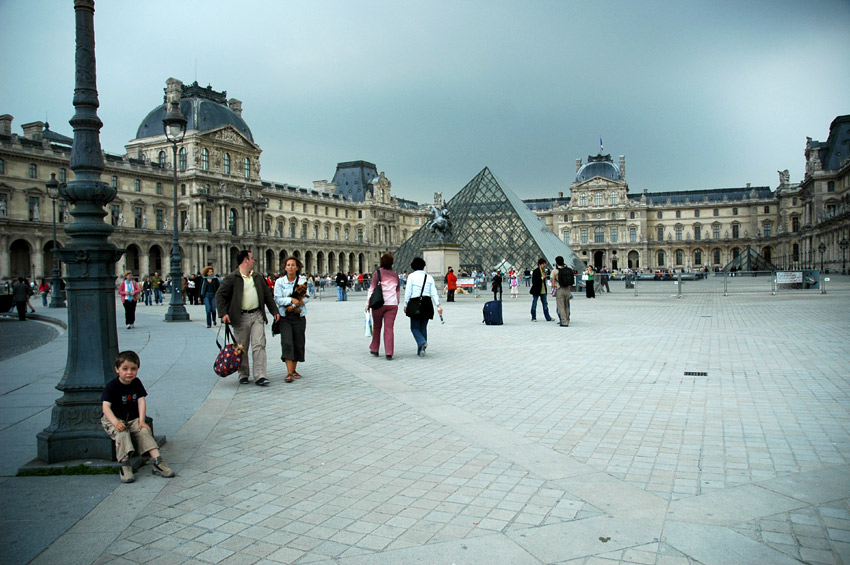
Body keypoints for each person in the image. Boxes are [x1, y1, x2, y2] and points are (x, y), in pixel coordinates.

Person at [101, 350, 175, 483]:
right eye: (125, 369)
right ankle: (125, 465)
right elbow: (106, 407)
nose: (129, 372)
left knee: (144, 431)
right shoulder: (111, 387)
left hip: (133, 418)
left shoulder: (136, 383)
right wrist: (115, 422)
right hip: (115, 418)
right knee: (121, 433)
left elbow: (141, 401)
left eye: (133, 369)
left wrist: (142, 420)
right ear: (117, 369)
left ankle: (158, 462)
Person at [216, 250, 280, 386]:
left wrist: (274, 311)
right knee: (241, 346)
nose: (254, 261)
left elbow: (267, 296)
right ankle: (243, 374)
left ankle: (260, 375)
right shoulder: (232, 277)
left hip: (257, 314)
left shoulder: (257, 277)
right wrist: (223, 314)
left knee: (259, 345)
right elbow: (219, 295)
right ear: (245, 260)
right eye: (252, 258)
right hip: (240, 317)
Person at [274, 256, 309, 383]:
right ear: (285, 267)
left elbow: (306, 298)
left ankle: (294, 370)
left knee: (298, 342)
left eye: (293, 265)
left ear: (297, 267)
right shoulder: (279, 282)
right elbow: (277, 299)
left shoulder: (302, 281)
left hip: (299, 316)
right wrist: (290, 300)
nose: (290, 267)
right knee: (287, 342)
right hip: (285, 317)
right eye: (288, 265)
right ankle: (289, 372)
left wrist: (293, 305)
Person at [404, 257, 443, 357]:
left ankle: (421, 342)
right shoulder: (429, 277)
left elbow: (408, 292)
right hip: (427, 303)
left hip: (415, 302)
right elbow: (434, 293)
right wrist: (438, 305)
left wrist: (405, 304)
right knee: (423, 327)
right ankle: (421, 350)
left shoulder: (411, 277)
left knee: (414, 327)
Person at [366, 253, 401, 360]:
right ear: (392, 263)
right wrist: (396, 302)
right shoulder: (395, 275)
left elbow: (371, 289)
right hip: (392, 304)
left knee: (377, 327)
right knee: (389, 328)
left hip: (378, 304)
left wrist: (367, 303)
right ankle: (389, 352)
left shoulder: (377, 273)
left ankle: (375, 349)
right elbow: (398, 292)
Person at [552, 256, 575, 327]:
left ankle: (564, 322)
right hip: (567, 289)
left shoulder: (555, 271)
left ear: (556, 262)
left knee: (561, 306)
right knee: (567, 305)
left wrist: (553, 291)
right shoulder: (568, 270)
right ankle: (567, 319)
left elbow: (553, 284)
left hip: (560, 289)